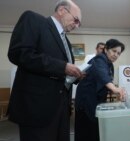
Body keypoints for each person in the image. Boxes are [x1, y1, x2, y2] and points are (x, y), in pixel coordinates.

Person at [7, 1, 83, 141]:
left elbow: (63, 71)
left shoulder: (66, 41)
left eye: (79, 23)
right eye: (76, 20)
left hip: (62, 109)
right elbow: (19, 53)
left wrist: (77, 75)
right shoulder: (34, 20)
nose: (76, 25)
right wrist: (63, 67)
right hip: (37, 109)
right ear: (62, 10)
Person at [74, 39, 126, 141]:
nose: (116, 55)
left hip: (96, 99)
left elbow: (107, 80)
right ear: (106, 49)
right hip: (86, 100)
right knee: (86, 130)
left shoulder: (109, 64)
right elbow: (103, 76)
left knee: (95, 129)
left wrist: (115, 90)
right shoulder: (99, 59)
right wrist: (115, 89)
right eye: (114, 51)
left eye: (118, 53)